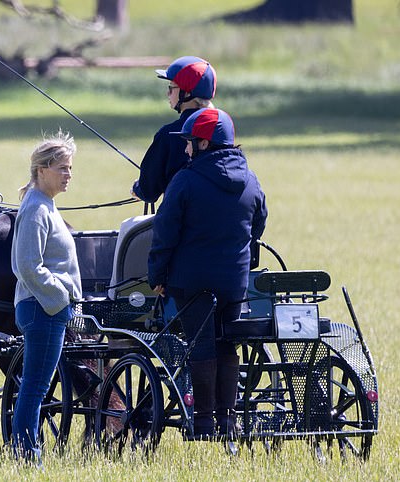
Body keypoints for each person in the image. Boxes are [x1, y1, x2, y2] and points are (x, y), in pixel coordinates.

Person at [147, 108, 267, 439]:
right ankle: (227, 421)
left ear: (203, 143)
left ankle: (202, 424)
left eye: (189, 143)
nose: (186, 150)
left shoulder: (185, 180)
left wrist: (157, 274)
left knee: (200, 344)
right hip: (234, 283)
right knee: (227, 345)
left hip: (191, 282)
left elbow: (165, 233)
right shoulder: (250, 180)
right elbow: (258, 225)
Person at [10, 130, 82, 465]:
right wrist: (61, 295)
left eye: (70, 168)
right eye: (62, 168)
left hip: (47, 309)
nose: (69, 174)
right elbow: (26, 265)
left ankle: (26, 453)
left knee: (35, 386)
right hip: (43, 310)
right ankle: (27, 456)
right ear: (42, 170)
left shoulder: (45, 205)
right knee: (36, 388)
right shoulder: (37, 209)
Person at [131, 56, 217, 204]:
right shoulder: (221, 128)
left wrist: (137, 188)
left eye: (171, 88)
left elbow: (148, 191)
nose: (168, 93)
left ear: (187, 93)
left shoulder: (169, 134)